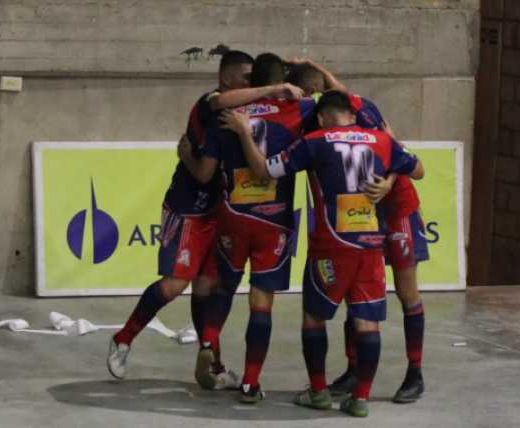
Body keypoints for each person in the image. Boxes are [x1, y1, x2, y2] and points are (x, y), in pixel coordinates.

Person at [221, 90, 424, 417]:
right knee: (367, 322)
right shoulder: (380, 140)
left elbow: (262, 170)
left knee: (314, 319)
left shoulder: (314, 141)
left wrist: (245, 131)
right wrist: (387, 181)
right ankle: (360, 399)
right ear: (352, 115)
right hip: (370, 245)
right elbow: (418, 170)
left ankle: (317, 392)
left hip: (331, 247)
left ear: (320, 117)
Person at [106, 50, 301, 388]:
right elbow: (201, 173)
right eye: (244, 76)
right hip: (189, 206)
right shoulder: (213, 103)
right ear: (225, 78)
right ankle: (123, 339)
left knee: (207, 289)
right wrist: (272, 88)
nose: (250, 82)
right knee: (175, 284)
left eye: (255, 77)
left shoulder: (245, 112)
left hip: (225, 211)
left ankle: (213, 364)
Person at [286, 60, 430, 403]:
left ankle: (415, 372)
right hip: (362, 222)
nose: (302, 100)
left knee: (407, 293)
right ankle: (354, 372)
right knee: (357, 296)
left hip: (397, 211)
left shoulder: (361, 112)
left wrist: (390, 182)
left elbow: (402, 152)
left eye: (304, 95)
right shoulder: (317, 122)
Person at [178, 52, 316, 403]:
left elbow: (206, 168)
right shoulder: (299, 111)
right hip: (274, 219)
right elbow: (331, 101)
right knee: (261, 302)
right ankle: (251, 383)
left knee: (224, 286)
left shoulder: (226, 114)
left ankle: (209, 340)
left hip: (233, 215)